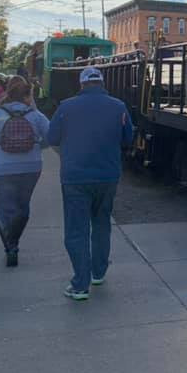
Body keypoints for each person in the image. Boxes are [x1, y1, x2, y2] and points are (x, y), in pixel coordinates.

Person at [47, 66, 133, 301]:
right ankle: (98, 272)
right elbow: (128, 138)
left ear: (82, 84)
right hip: (107, 176)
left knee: (77, 230)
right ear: (102, 83)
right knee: (102, 224)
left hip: (75, 178)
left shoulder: (66, 107)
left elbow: (52, 138)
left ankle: (80, 285)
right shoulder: (119, 106)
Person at [0, 75, 50, 267]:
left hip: (0, 167)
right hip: (30, 166)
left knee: (4, 208)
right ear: (27, 96)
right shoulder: (35, 115)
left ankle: (10, 246)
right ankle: (15, 239)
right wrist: (38, 146)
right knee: (23, 207)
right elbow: (51, 135)